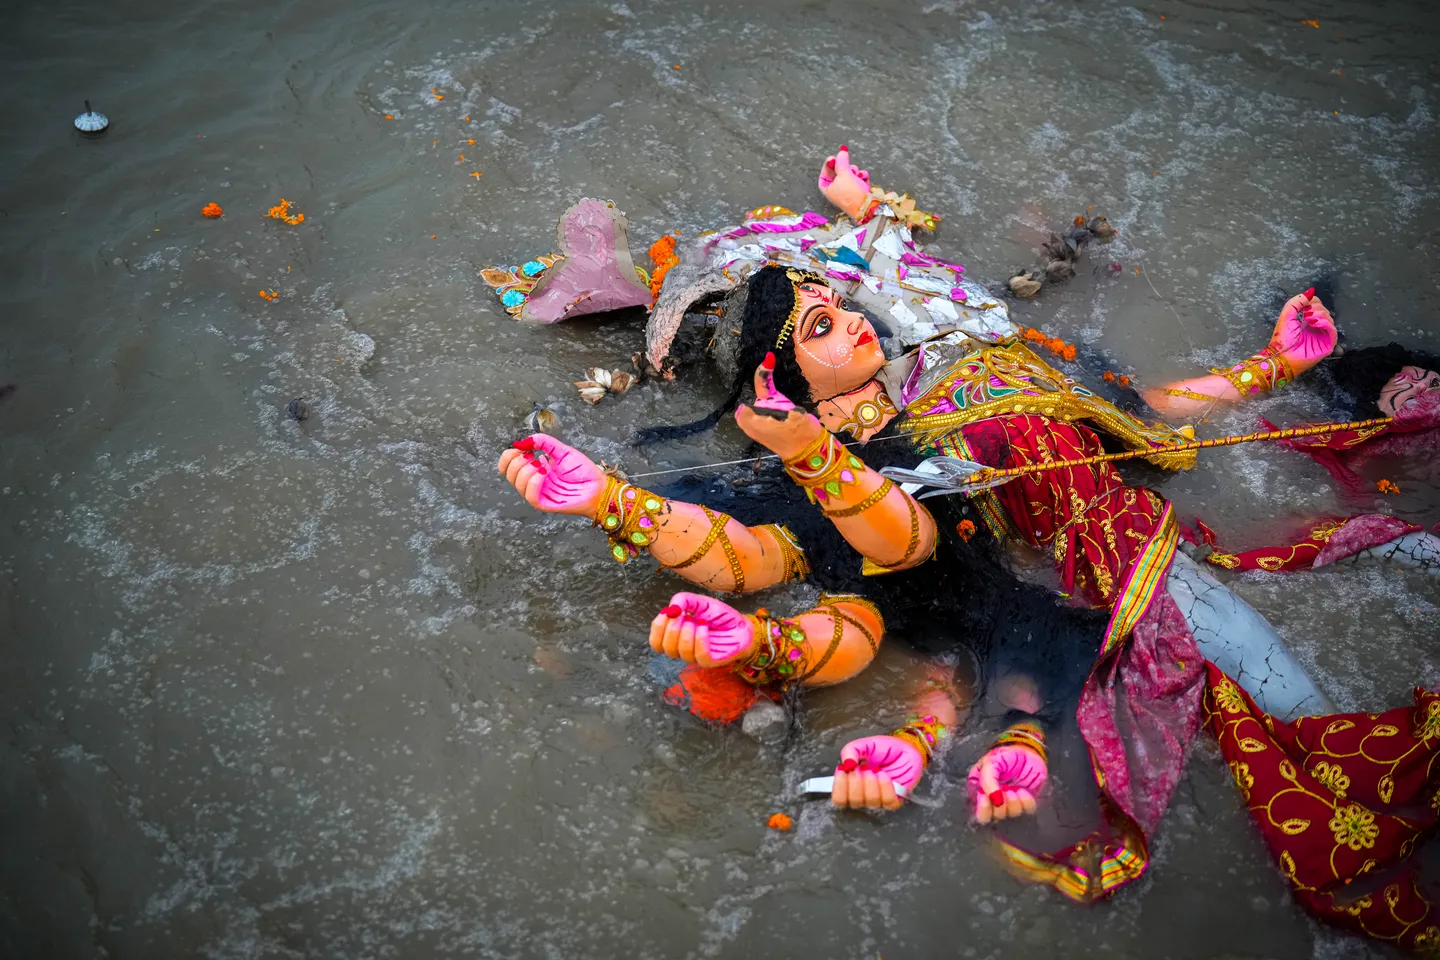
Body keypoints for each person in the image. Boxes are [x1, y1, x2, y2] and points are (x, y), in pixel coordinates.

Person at [493, 154, 1440, 952]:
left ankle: (1327, 724)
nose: (854, 314)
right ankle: (1330, 747)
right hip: (1056, 539)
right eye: (822, 318)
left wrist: (1273, 366)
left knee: (1263, 606)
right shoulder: (897, 432)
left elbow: (1143, 413)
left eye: (840, 302)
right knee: (1216, 651)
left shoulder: (970, 358)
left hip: (1092, 491)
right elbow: (856, 547)